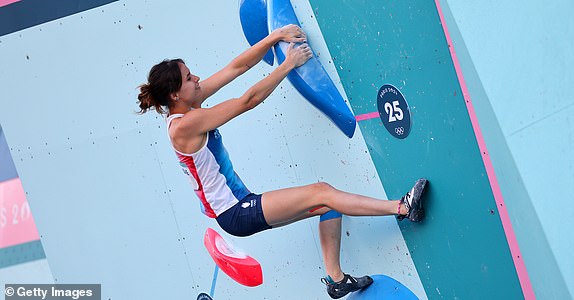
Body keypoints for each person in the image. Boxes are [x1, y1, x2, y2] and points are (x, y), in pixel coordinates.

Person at [137, 24, 428, 299]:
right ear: (175, 94)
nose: (197, 79)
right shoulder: (184, 125)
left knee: (327, 205)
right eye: (189, 78)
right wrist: (288, 64)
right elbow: (247, 101)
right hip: (235, 212)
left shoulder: (190, 102)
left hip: (237, 204)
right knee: (322, 193)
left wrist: (275, 36)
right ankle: (403, 207)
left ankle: (336, 280)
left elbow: (235, 68)